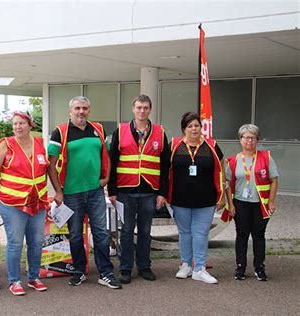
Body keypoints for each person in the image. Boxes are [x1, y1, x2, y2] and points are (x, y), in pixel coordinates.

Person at [48, 96, 122, 289]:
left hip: (96, 192)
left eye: (85, 108)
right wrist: (58, 191)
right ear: (70, 111)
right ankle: (79, 271)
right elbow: (51, 165)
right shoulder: (60, 132)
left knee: (101, 234)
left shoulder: (98, 128)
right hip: (71, 193)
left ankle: (105, 273)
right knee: (75, 235)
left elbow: (106, 155)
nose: (81, 112)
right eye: (78, 108)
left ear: (89, 110)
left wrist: (106, 178)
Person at [108, 94, 170, 284]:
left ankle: (144, 266)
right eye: (139, 107)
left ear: (150, 109)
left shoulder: (160, 132)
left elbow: (165, 165)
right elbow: (112, 161)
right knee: (126, 231)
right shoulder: (121, 131)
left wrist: (162, 193)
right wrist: (112, 191)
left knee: (145, 231)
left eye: (145, 107)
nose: (142, 110)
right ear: (133, 109)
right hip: (125, 191)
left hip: (149, 191)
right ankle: (125, 268)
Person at [0, 111, 50, 296]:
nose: (17, 127)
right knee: (15, 243)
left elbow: (44, 169)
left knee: (36, 242)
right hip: (12, 203)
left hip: (37, 202)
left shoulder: (39, 143)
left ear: (30, 125)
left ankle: (33, 277)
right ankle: (14, 281)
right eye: (15, 123)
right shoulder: (6, 144)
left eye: (22, 123)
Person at [168, 112, 225, 284]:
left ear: (201, 128)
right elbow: (165, 171)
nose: (194, 129)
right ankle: (186, 265)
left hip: (205, 199)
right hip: (180, 199)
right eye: (190, 126)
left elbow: (221, 171)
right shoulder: (174, 145)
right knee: (184, 233)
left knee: (200, 234)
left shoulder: (212, 146)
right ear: (184, 129)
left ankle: (199, 268)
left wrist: (221, 196)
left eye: (196, 125)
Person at [224, 124, 278, 281]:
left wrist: (271, 202)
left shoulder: (266, 157)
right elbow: (227, 183)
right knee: (241, 235)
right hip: (240, 203)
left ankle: (259, 267)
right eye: (246, 137)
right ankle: (240, 267)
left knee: (259, 235)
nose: (249, 140)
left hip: (260, 203)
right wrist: (231, 204)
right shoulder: (233, 161)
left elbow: (274, 181)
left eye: (253, 137)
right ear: (240, 140)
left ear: (257, 140)